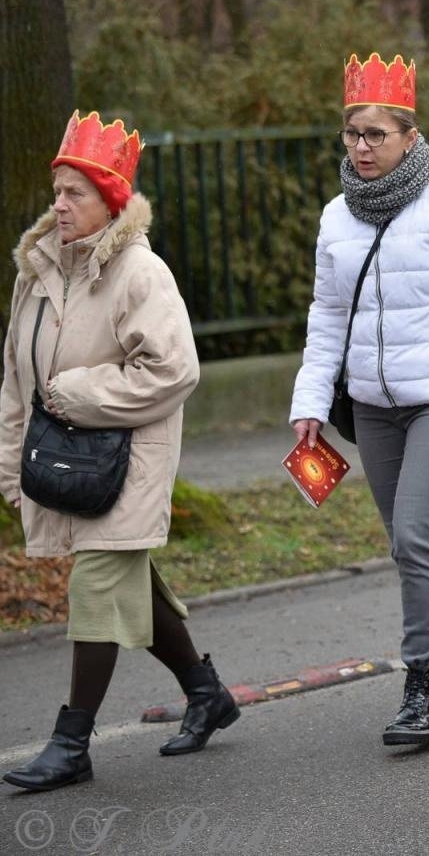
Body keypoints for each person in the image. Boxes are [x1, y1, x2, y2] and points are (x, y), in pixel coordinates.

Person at [290, 53, 429, 746]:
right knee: (407, 543)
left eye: (375, 135)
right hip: (373, 405)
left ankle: (425, 684)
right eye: (352, 135)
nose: (361, 148)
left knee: (418, 533)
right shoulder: (337, 215)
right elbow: (328, 315)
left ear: (409, 136)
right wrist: (307, 400)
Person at [1, 112, 225, 793]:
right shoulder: (36, 272)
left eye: (75, 193)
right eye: (57, 191)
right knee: (128, 582)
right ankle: (207, 692)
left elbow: (173, 371)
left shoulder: (141, 272)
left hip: (133, 456)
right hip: (64, 459)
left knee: (97, 582)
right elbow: (16, 373)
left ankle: (71, 743)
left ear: (112, 202)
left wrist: (76, 393)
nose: (59, 204)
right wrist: (12, 464)